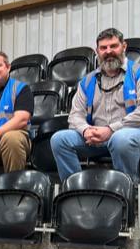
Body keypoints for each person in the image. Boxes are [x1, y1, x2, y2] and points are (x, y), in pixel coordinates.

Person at [51, 28, 140, 181]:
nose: (108, 51)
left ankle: (128, 188)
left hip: (129, 134)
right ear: (97, 51)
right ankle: (76, 188)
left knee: (120, 139)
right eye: (103, 48)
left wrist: (111, 129)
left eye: (113, 46)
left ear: (124, 46)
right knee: (59, 140)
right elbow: (75, 115)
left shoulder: (137, 72)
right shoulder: (87, 80)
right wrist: (86, 130)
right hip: (95, 137)